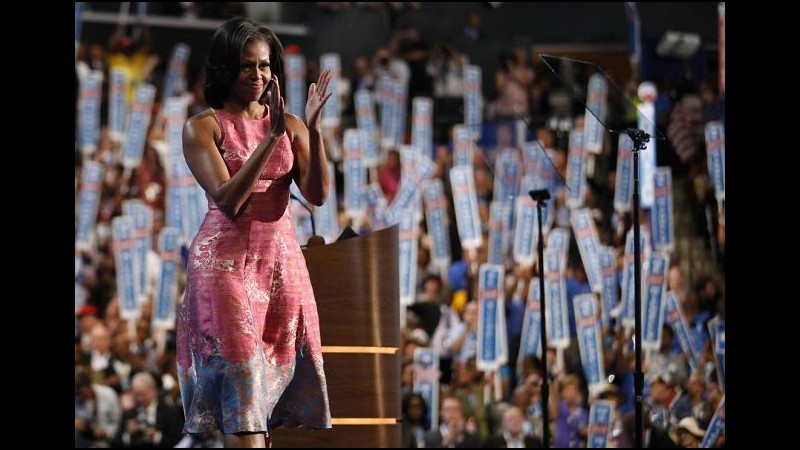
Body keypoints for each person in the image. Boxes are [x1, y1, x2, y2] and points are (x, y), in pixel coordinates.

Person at [177, 17, 333, 448]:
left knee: (262, 401)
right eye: (248, 66)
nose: (259, 75)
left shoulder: (293, 123)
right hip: (224, 266)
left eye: (265, 66)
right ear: (227, 67)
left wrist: (314, 131)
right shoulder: (202, 127)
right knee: (243, 391)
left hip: (280, 264)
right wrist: (272, 138)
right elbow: (229, 200)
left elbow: (317, 194)